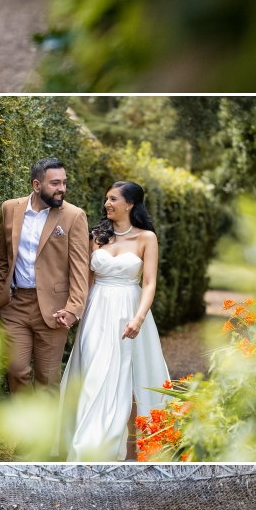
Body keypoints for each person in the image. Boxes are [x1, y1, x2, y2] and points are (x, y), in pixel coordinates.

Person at [58, 179, 172, 462]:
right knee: (95, 371)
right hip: (97, 310)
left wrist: (139, 318)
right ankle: (90, 442)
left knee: (127, 374)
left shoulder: (147, 238)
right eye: (107, 199)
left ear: (130, 204)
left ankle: (132, 442)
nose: (107, 204)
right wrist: (74, 311)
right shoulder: (96, 235)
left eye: (113, 199)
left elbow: (149, 283)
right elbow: (86, 281)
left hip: (129, 310)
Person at [0, 159, 91, 393]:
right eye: (55, 183)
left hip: (54, 310)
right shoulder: (9, 208)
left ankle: (47, 431)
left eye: (64, 183)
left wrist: (73, 308)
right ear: (36, 185)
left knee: (47, 380)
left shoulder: (74, 216)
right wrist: (0, 294)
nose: (62, 189)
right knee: (16, 370)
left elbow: (80, 267)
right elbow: (1, 258)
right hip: (15, 305)